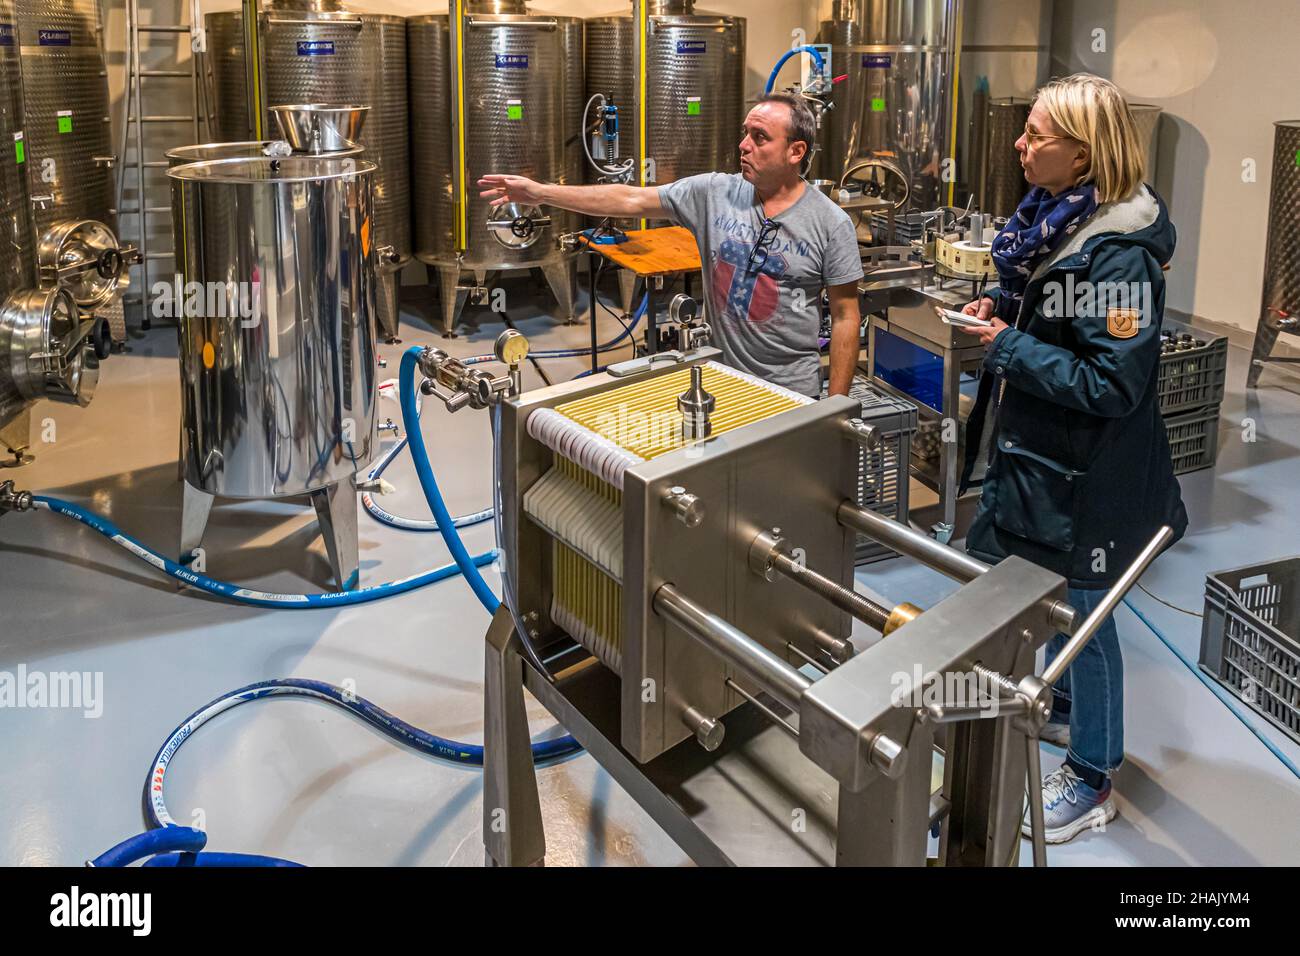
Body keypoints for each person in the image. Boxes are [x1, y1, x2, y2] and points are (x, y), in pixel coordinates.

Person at [958, 73, 1188, 844]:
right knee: (1051, 601)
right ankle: (1058, 712)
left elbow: (1111, 384)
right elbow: (1050, 308)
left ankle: (1092, 778)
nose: (1020, 146)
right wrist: (1003, 304)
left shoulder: (1119, 259)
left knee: (1086, 620)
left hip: (1093, 477)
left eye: (1036, 137)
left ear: (1084, 154)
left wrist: (1006, 347)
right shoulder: (1057, 225)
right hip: (1041, 459)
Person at [478, 93, 864, 398]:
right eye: (745, 132)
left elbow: (846, 316)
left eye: (760, 137)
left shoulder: (831, 224)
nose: (744, 145)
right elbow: (629, 199)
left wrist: (836, 404)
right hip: (719, 380)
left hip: (791, 391)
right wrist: (541, 193)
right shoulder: (715, 192)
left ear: (796, 152)